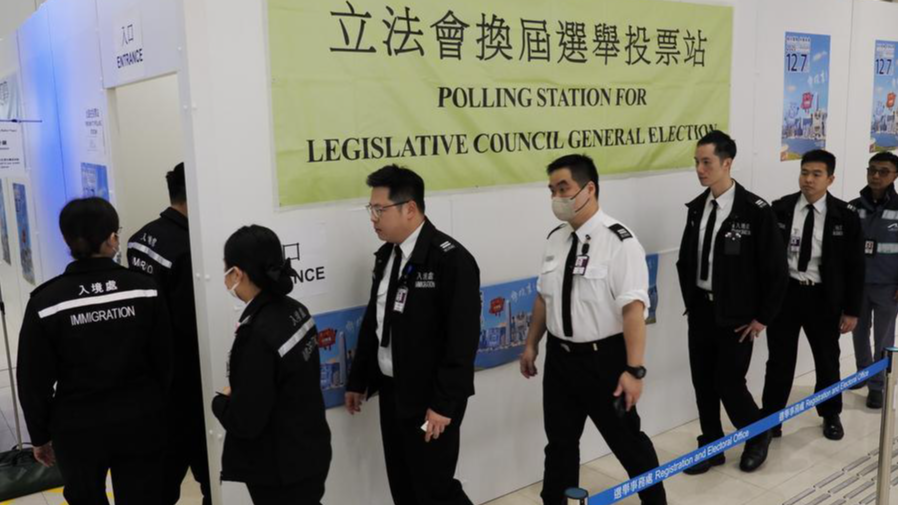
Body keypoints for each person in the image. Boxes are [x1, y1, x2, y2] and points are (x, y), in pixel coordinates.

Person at [520, 155, 667, 505]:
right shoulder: (556, 238)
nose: (557, 197)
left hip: (606, 362)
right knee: (560, 443)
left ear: (589, 189)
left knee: (628, 443)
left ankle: (655, 502)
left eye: (564, 188)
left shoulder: (620, 242)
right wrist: (531, 344)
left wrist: (634, 370)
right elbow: (544, 296)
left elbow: (633, 310)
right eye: (552, 190)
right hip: (560, 360)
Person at [17, 197, 173, 504]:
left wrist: (40, 436)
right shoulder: (145, 288)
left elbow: (32, 380)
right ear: (112, 238)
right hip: (141, 419)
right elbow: (165, 360)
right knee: (143, 496)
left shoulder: (47, 301)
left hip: (77, 427)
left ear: (66, 239)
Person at [345, 165, 481, 505]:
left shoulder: (451, 261)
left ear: (410, 208)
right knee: (403, 483)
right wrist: (358, 380)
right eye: (370, 209)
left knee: (435, 487)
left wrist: (443, 404)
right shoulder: (387, 255)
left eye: (380, 209)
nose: (373, 218)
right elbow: (375, 323)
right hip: (393, 391)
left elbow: (462, 341)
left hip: (430, 398)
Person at [676, 131, 789, 475]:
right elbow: (687, 259)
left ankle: (757, 434)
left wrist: (762, 318)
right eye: (696, 162)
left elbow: (776, 271)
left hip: (737, 316)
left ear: (727, 163)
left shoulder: (755, 212)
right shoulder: (698, 207)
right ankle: (711, 443)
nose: (700, 169)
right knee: (702, 381)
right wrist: (692, 302)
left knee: (729, 382)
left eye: (706, 162)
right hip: (701, 311)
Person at [212, 225, 332, 504]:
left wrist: (220, 403)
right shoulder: (296, 310)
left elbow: (246, 421)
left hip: (280, 467)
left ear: (237, 273)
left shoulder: (257, 333)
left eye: (226, 269)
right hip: (310, 450)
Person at [762, 149, 864, 441]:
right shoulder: (780, 209)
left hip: (823, 298)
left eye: (816, 174)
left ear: (830, 179)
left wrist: (852, 310)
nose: (808, 180)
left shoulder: (845, 216)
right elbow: (767, 259)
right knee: (779, 361)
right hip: (786, 295)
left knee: (827, 359)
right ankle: (771, 419)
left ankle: (830, 413)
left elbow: (855, 267)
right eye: (804, 172)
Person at [127, 163, 211, 505]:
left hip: (153, 378)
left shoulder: (140, 237)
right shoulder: (189, 248)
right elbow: (191, 324)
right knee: (209, 475)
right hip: (188, 381)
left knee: (159, 481)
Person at [849, 152, 899, 410]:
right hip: (858, 286)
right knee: (858, 332)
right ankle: (863, 373)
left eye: (883, 171)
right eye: (872, 170)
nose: (876, 176)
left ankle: (878, 385)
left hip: (888, 286)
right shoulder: (852, 207)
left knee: (884, 337)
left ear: (894, 176)